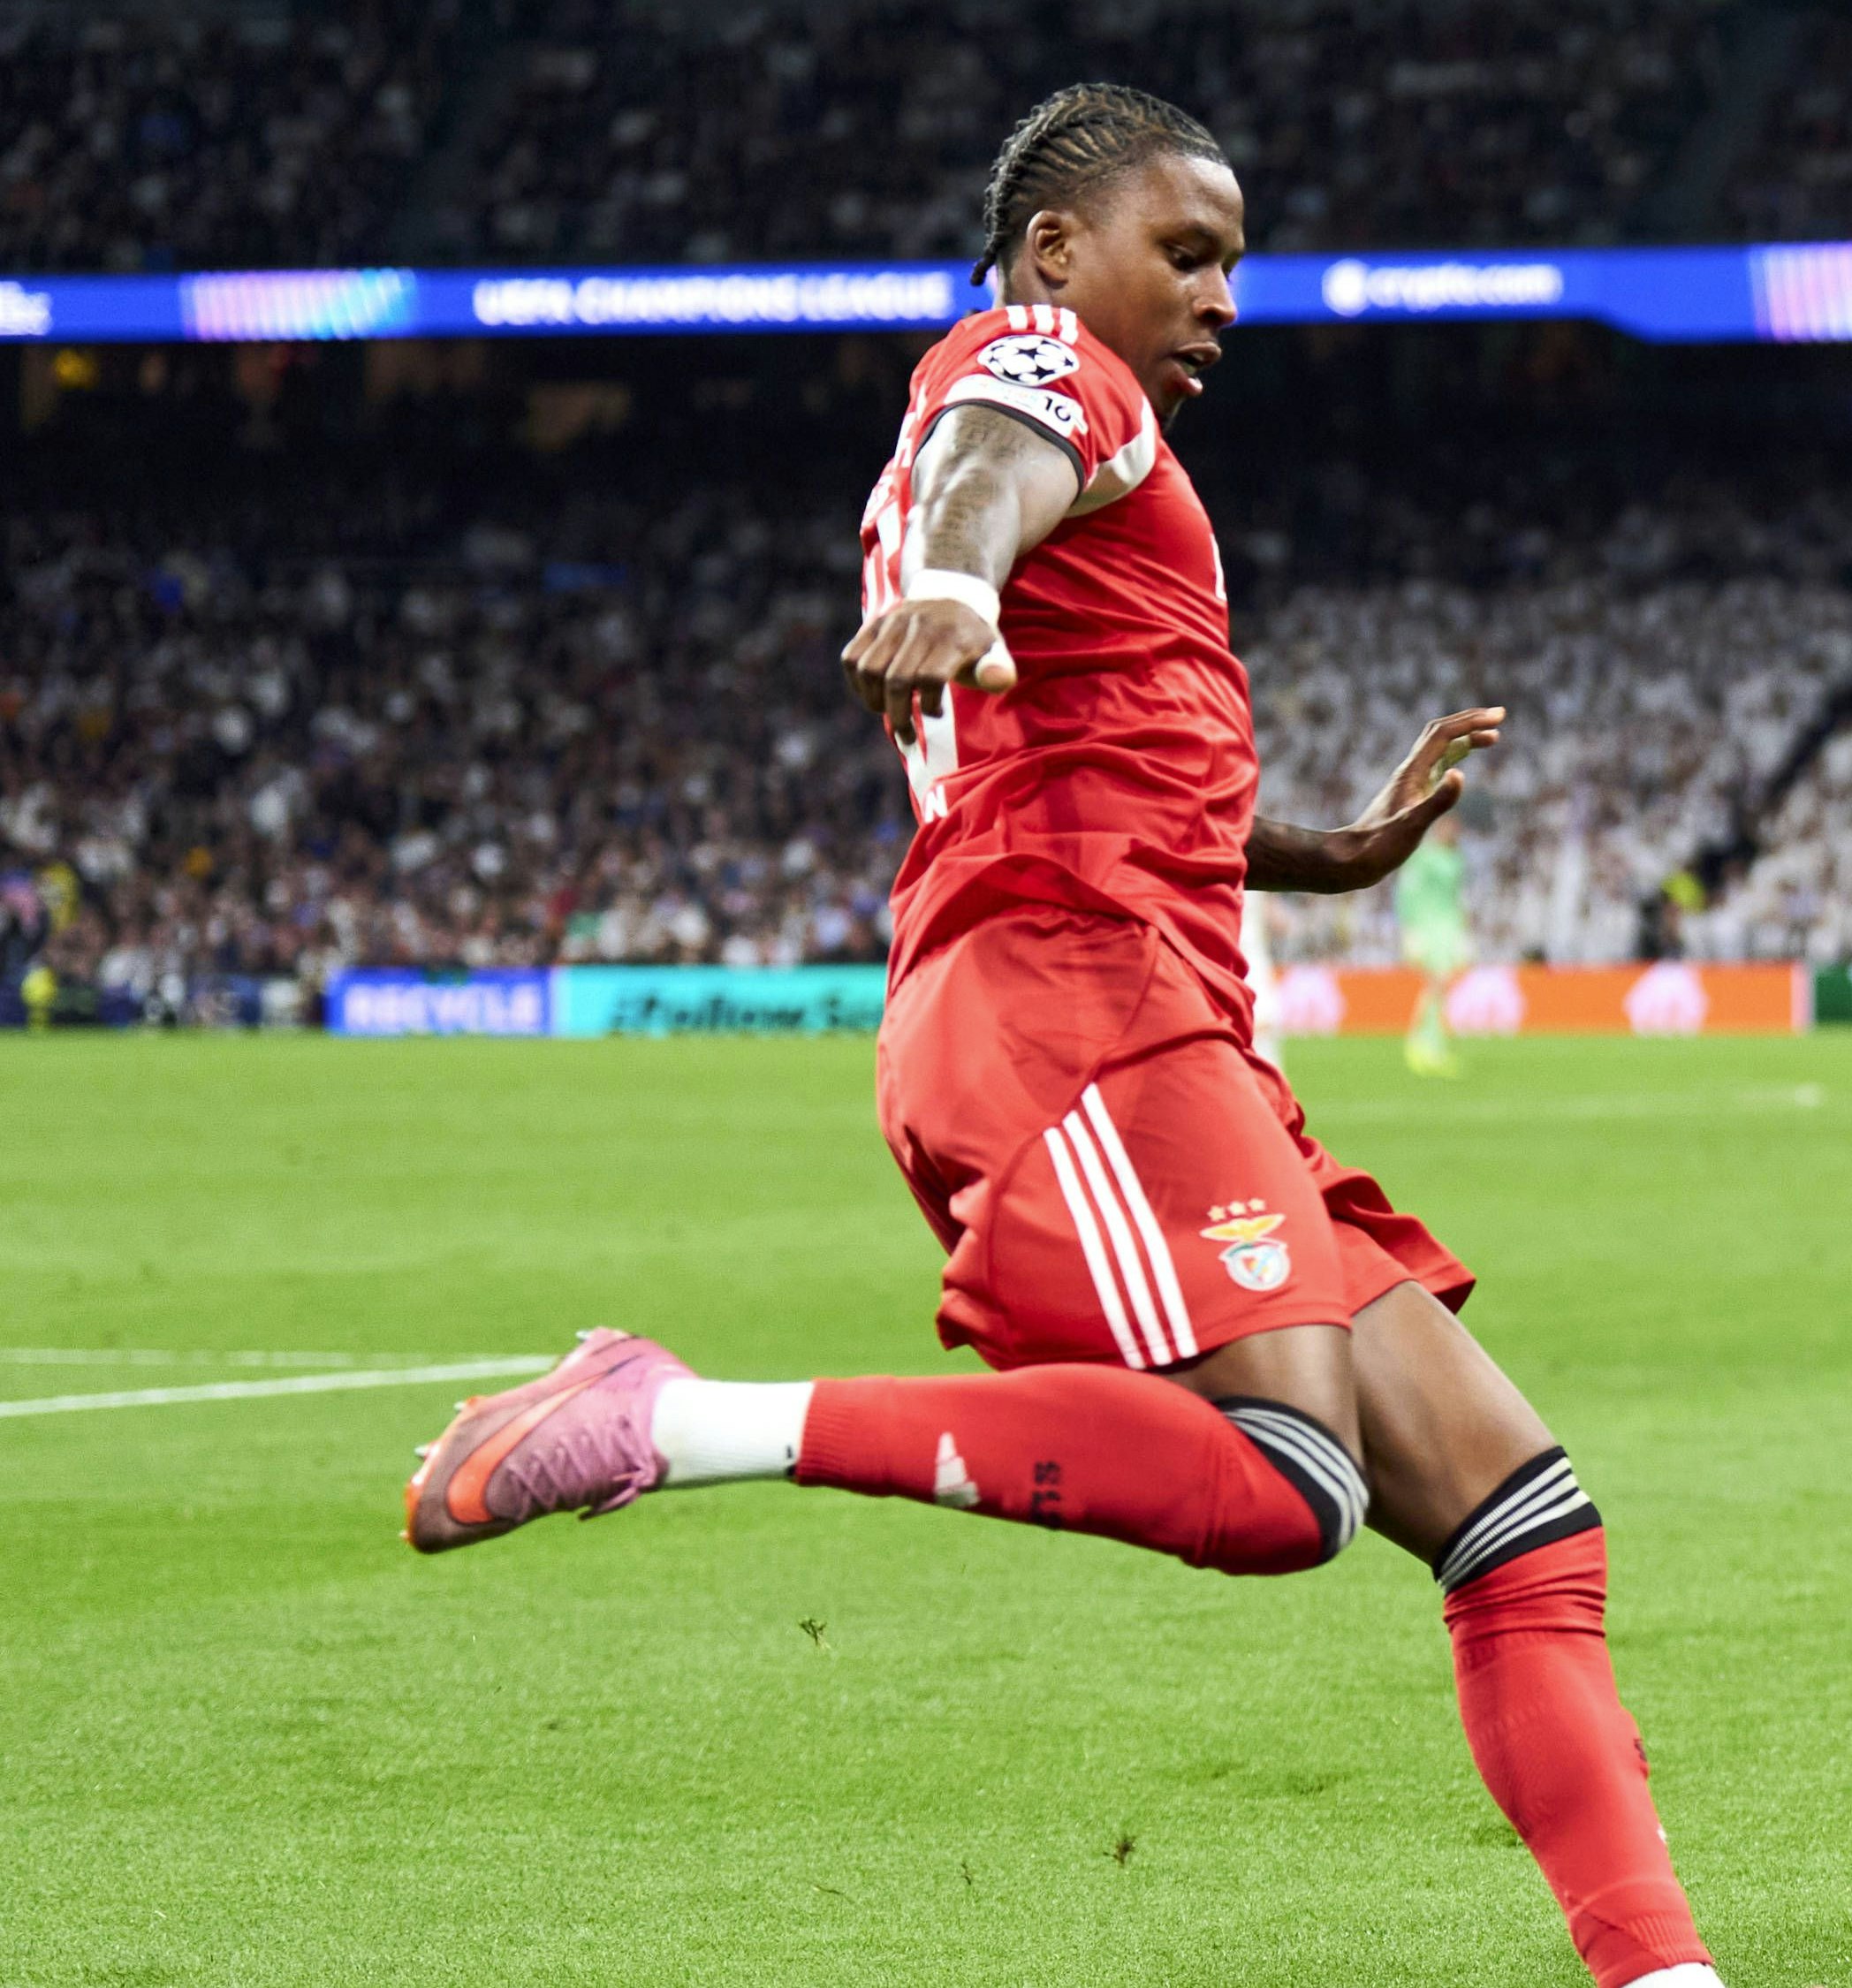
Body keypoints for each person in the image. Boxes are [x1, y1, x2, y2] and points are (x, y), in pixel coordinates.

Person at [400, 86, 1721, 1988]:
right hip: (1066, 1002)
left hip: (1156, 1003)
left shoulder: (1100, 456)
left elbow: (1096, 726)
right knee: (1286, 1482)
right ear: (1053, 254)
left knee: (1524, 1524)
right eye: (1185, 253)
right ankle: (662, 1418)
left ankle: (1662, 1979)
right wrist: (948, 577)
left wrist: (1318, 851)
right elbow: (985, 458)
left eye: (1233, 263)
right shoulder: (1040, 367)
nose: (1220, 298)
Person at [1398, 814, 1469, 1076]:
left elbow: (1457, 900)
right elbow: (1407, 894)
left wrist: (1463, 935)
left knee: (1441, 988)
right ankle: (1420, 1042)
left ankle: (1434, 1045)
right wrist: (1411, 932)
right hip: (1428, 928)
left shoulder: (1456, 859)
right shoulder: (1423, 857)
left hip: (1448, 930)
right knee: (1435, 984)